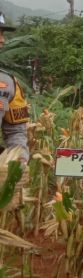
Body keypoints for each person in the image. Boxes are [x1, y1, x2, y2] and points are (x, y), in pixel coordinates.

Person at [0, 11, 30, 164]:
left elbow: (16, 131)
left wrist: (20, 159)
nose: (2, 40)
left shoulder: (9, 83)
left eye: (2, 33)